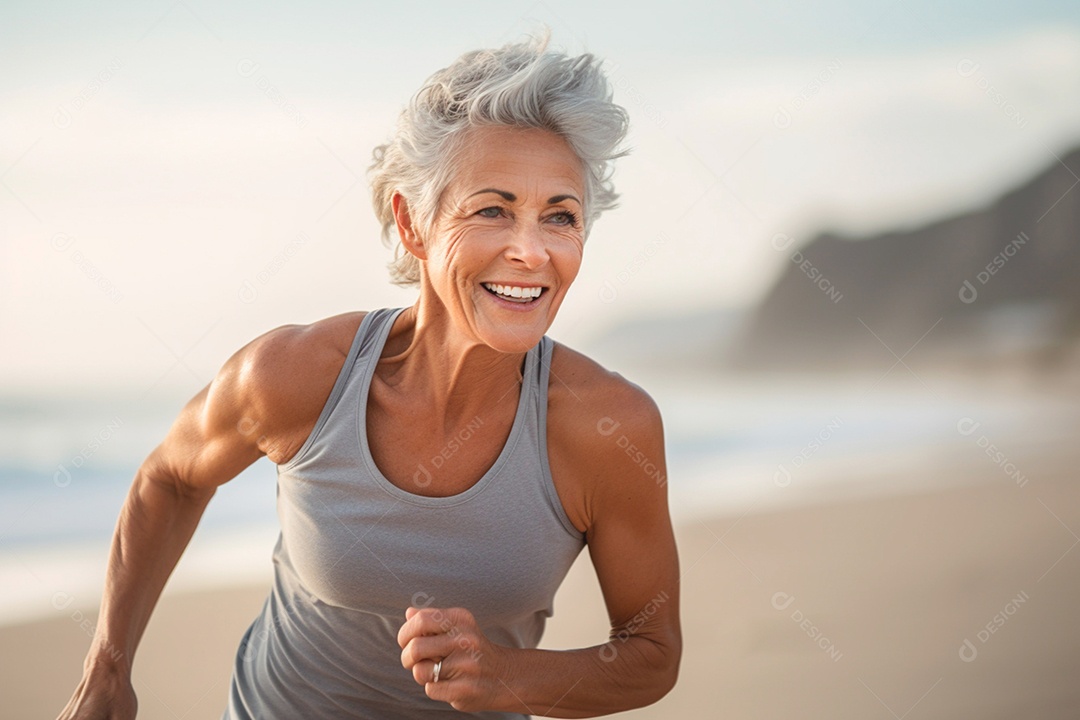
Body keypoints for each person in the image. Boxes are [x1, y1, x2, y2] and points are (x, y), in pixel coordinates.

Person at [57, 29, 681, 719]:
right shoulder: (295, 378)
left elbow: (652, 651)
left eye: (559, 217)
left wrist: (510, 676)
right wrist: (107, 668)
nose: (531, 252)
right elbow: (171, 479)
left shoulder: (606, 427)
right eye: (492, 210)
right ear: (413, 226)